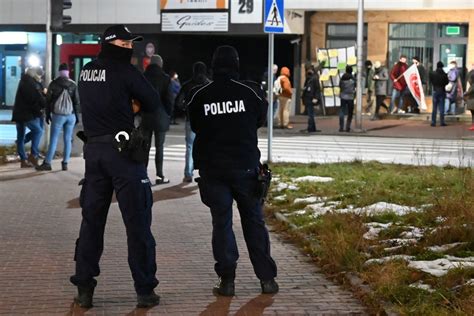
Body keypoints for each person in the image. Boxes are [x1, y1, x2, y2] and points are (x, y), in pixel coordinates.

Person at [70, 24, 161, 309]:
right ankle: (145, 290)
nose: (130, 49)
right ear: (114, 44)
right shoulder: (125, 72)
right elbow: (153, 101)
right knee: (137, 224)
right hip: (123, 154)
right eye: (126, 44)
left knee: (91, 224)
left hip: (94, 153)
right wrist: (133, 105)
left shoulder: (86, 71)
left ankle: (84, 287)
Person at [188, 45, 278, 297]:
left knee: (222, 223)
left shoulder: (200, 94)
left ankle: (227, 281)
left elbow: (195, 124)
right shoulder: (251, 92)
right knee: (254, 223)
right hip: (246, 167)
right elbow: (260, 119)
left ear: (213, 64)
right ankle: (267, 279)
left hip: (213, 169)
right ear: (236, 64)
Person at [36, 63, 80, 171]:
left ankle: (47, 163)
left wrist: (47, 114)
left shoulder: (54, 84)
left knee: (54, 139)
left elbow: (48, 101)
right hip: (71, 116)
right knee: (67, 139)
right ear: (68, 72)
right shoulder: (73, 85)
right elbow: (77, 102)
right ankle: (65, 163)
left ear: (59, 72)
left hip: (58, 116)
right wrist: (77, 116)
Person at [174, 61, 211, 183]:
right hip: (206, 121)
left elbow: (179, 102)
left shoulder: (187, 85)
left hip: (191, 120)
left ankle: (188, 174)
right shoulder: (209, 85)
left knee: (190, 147)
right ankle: (204, 173)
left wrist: (186, 108)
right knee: (206, 147)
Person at [142, 55, 173, 185]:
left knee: (145, 147)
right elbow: (169, 99)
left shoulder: (143, 77)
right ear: (160, 64)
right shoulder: (166, 78)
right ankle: (160, 175)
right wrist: (168, 114)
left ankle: (143, 176)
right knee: (159, 147)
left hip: (146, 116)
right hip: (160, 117)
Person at [11, 66, 46, 168]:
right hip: (26, 114)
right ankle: (33, 155)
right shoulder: (30, 83)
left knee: (21, 136)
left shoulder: (25, 81)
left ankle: (24, 160)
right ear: (34, 74)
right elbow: (33, 100)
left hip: (20, 113)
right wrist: (39, 110)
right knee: (38, 131)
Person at [301, 67, 321, 133]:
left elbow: (317, 89)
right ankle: (313, 128)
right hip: (308, 97)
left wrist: (316, 98)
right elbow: (306, 87)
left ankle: (310, 127)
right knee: (310, 113)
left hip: (311, 98)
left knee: (310, 114)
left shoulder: (314, 78)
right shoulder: (308, 78)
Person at [429, 61, 449, 127]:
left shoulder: (432, 73)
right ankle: (442, 122)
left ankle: (433, 122)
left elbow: (431, 80)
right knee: (441, 107)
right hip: (442, 91)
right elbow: (447, 82)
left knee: (434, 108)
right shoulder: (444, 74)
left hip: (435, 90)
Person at [339, 65, 355, 132]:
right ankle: (348, 127)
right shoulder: (352, 78)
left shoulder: (342, 77)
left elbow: (340, 86)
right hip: (350, 97)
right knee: (350, 112)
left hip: (343, 96)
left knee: (342, 111)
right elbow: (356, 85)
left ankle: (341, 127)